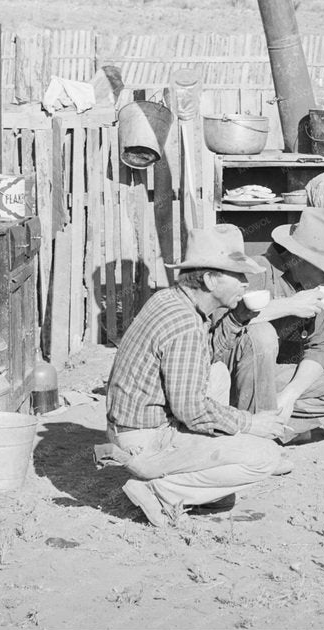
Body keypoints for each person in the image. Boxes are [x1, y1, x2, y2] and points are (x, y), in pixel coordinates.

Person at [103, 226, 291, 527]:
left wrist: (238, 319)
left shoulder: (171, 300)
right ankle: (158, 492)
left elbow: (202, 358)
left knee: (217, 373)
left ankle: (193, 486)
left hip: (133, 427)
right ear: (209, 280)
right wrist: (251, 423)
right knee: (265, 456)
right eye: (238, 276)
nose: (245, 283)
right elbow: (191, 410)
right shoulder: (185, 324)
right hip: (145, 440)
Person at [210, 209, 324, 442]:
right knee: (261, 333)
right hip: (235, 379)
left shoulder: (314, 285)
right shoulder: (257, 270)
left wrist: (289, 395)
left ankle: (274, 426)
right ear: (299, 257)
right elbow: (221, 320)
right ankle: (255, 434)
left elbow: (319, 349)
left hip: (275, 380)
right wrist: (289, 306)